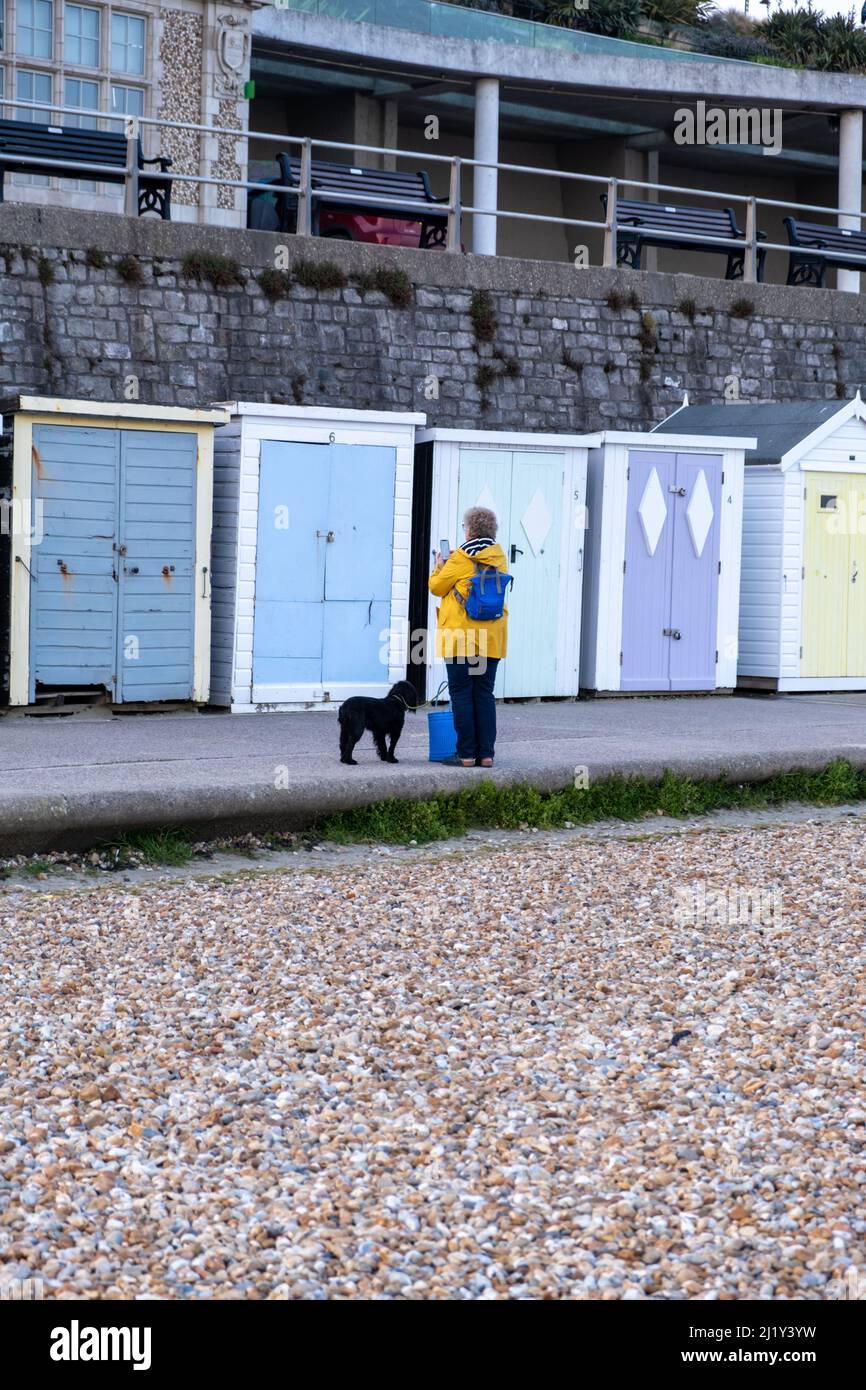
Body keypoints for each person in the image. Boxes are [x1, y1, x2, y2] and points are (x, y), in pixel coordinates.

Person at [428, 506, 509, 768]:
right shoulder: (499, 556)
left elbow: (436, 587)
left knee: (462, 693)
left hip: (461, 638)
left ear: (469, 529)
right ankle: (485, 754)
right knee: (484, 693)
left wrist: (438, 566)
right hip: (491, 638)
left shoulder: (460, 557)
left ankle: (465, 754)